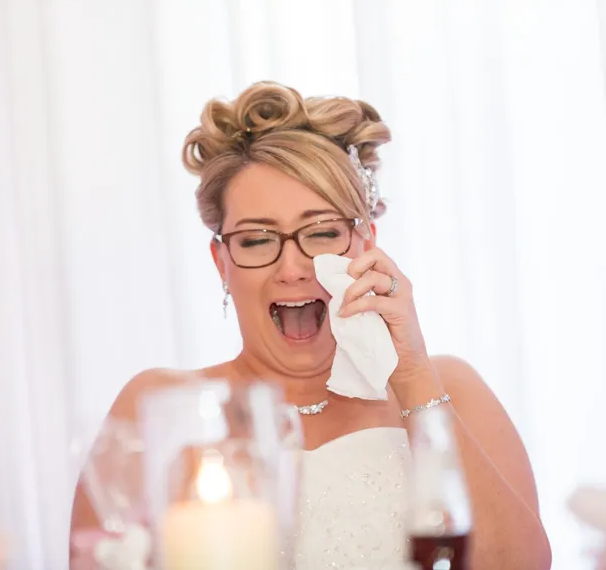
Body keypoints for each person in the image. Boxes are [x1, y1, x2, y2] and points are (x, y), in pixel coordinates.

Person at [70, 81, 552, 569]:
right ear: (222, 262)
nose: (293, 267)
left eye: (322, 233)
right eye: (257, 239)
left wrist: (411, 375)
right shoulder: (160, 408)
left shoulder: (450, 388)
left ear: (366, 246)